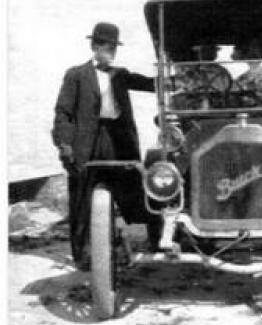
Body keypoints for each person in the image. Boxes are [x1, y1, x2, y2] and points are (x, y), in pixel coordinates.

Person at [51, 22, 162, 271]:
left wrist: (175, 78)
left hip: (118, 138)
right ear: (93, 46)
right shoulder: (76, 74)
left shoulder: (120, 74)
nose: (109, 50)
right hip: (86, 142)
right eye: (104, 45)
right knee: (82, 199)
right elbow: (64, 112)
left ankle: (148, 241)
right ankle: (82, 257)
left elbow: (151, 84)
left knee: (132, 188)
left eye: (113, 47)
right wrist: (65, 144)